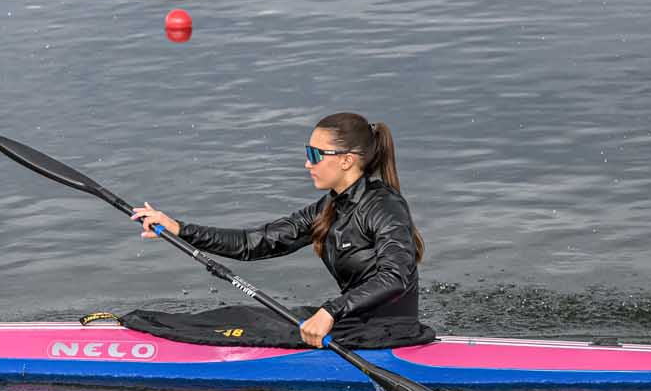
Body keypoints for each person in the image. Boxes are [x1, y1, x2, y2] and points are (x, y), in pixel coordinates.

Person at [129, 112, 431, 349]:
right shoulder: (329, 207)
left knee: (249, 329)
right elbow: (255, 243)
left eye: (315, 154)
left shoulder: (385, 206)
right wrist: (180, 229)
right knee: (237, 316)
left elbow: (396, 275)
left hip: (387, 333)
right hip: (351, 322)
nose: (307, 163)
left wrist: (330, 311)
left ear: (346, 160)